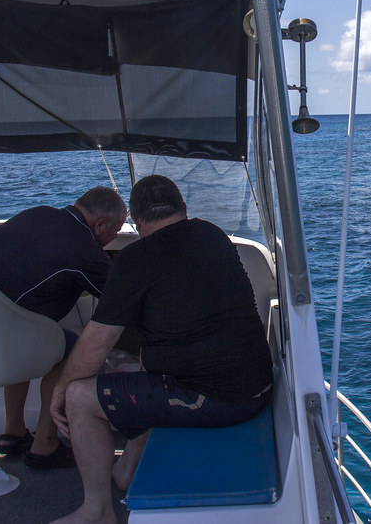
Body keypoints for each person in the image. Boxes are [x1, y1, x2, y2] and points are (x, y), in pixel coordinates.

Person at [50, 175, 273, 524]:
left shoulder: (135, 258)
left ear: (137, 223)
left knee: (81, 396)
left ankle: (97, 511)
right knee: (146, 373)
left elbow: (95, 345)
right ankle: (125, 470)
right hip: (257, 386)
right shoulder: (211, 234)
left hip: (215, 400)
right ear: (183, 209)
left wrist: (61, 390)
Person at [0, 186, 127, 469]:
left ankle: (13, 432)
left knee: (29, 328)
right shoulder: (83, 248)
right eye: (116, 230)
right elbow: (120, 298)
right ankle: (45, 445)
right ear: (99, 224)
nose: (114, 238)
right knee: (71, 348)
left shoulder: (36, 213)